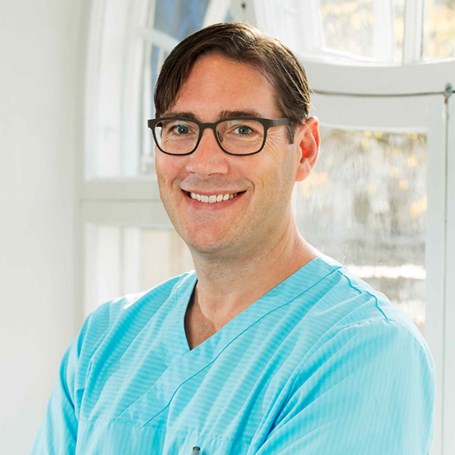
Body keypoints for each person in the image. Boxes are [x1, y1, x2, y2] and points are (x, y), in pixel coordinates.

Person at [32, 22, 434, 454]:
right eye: (181, 128)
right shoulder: (104, 341)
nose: (205, 163)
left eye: (242, 129)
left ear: (305, 149)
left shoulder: (363, 348)